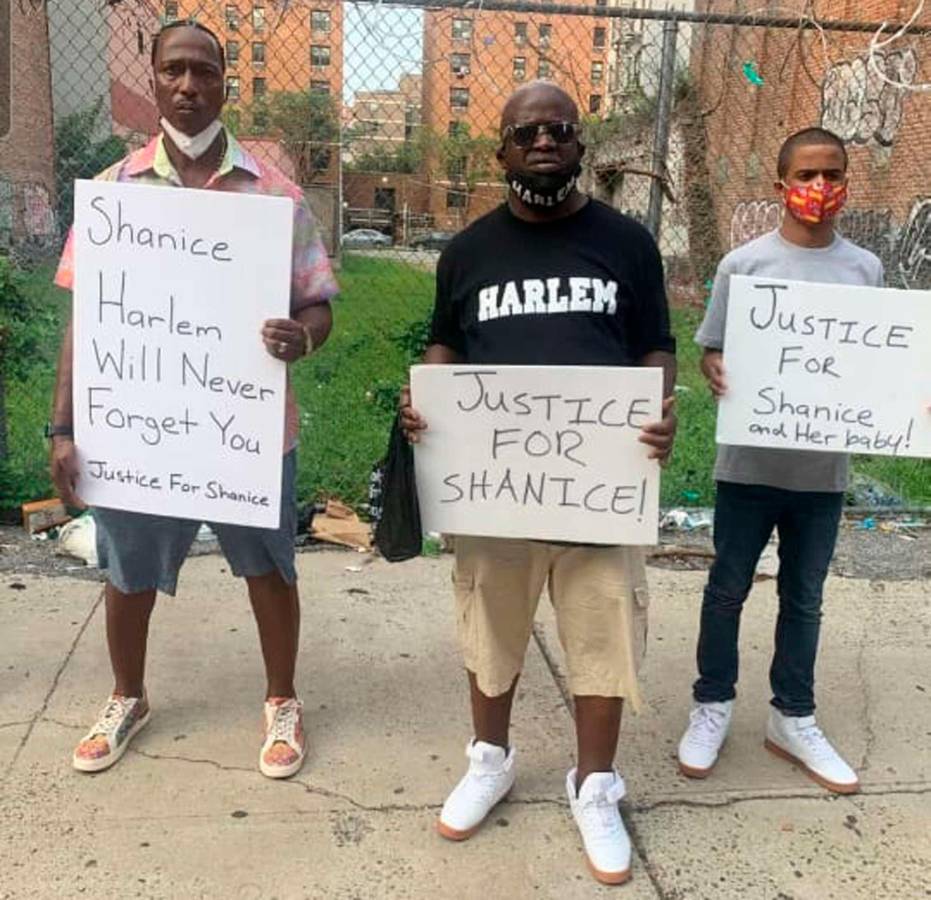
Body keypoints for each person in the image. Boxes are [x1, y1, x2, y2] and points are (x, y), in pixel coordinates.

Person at [400, 81, 677, 885]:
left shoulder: (626, 244)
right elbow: (446, 343)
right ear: (501, 151)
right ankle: (489, 759)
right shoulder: (468, 252)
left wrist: (660, 410)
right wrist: (427, 398)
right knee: (489, 628)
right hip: (495, 491)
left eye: (559, 128)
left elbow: (655, 345)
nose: (544, 142)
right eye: (526, 133)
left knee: (602, 634)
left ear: (580, 143)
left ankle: (594, 785)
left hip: (599, 489)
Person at [48, 20, 337, 778]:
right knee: (127, 566)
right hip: (137, 425)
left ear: (223, 81)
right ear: (152, 77)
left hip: (246, 427)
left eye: (203, 70)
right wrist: (62, 428)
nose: (187, 85)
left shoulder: (273, 196)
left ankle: (281, 698)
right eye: (173, 69)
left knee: (268, 564)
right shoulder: (114, 194)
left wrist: (302, 338)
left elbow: (318, 304)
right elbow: (86, 319)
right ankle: (127, 695)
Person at [676, 126, 883, 794]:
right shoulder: (743, 266)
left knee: (804, 596)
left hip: (821, 473)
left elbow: (876, 361)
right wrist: (714, 368)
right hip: (748, 466)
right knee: (727, 588)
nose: (819, 187)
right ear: (780, 185)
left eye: (832, 174)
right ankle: (711, 703)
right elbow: (712, 348)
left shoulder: (865, 269)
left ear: (846, 181)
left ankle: (792, 715)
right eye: (806, 174)